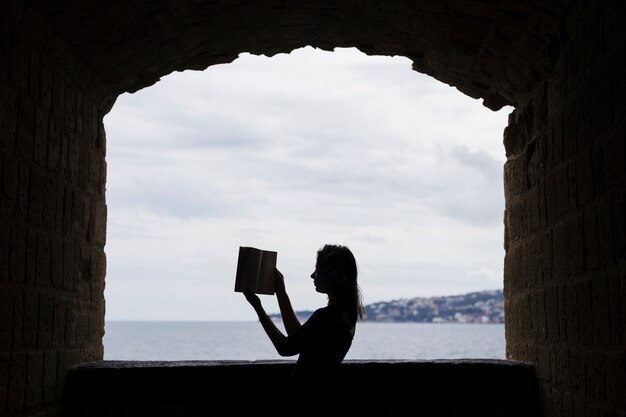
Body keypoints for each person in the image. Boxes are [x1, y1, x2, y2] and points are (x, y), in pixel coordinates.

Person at [242, 243, 364, 385]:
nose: (312, 275)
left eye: (317, 270)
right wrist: (281, 293)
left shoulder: (326, 316)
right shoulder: (345, 316)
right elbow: (298, 336)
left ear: (332, 275)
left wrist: (258, 308)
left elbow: (285, 347)